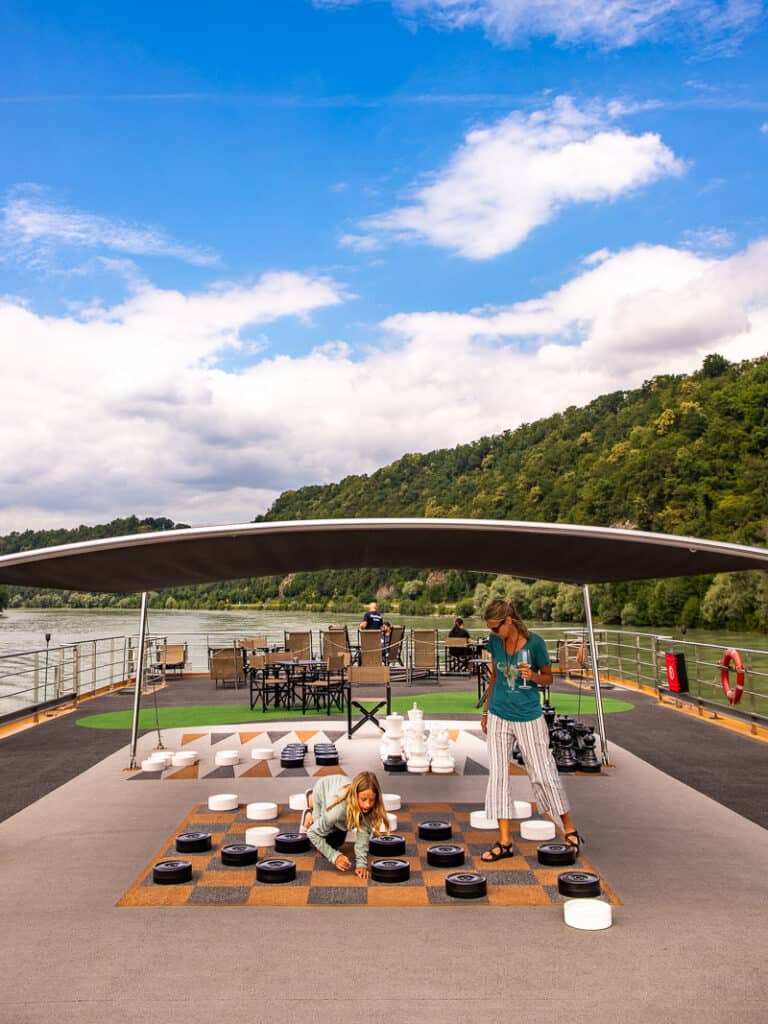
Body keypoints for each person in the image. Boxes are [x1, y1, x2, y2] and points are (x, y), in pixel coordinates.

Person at [479, 598, 583, 862]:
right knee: (499, 776)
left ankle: (569, 828)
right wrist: (485, 711)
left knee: (543, 772)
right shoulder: (495, 643)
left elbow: (548, 677)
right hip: (499, 714)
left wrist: (533, 677)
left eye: (495, 628)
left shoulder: (536, 644)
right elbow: (494, 676)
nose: (492, 633)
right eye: (490, 629)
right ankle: (504, 842)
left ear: (509, 621)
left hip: (528, 716)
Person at [299, 771, 388, 879]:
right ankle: (310, 806)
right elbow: (312, 833)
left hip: (340, 791)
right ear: (355, 796)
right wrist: (335, 857)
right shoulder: (337, 812)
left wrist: (361, 864)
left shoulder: (368, 808)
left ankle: (312, 805)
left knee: (339, 839)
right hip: (323, 789)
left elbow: (363, 834)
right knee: (326, 844)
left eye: (371, 800)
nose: (368, 804)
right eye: (363, 799)